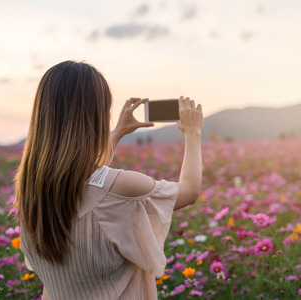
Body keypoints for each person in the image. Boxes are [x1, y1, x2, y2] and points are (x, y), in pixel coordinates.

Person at [14, 60, 203, 300]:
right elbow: (189, 191)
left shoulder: (30, 191)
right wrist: (193, 132)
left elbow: (81, 176)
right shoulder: (121, 188)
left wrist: (118, 132)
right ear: (97, 116)